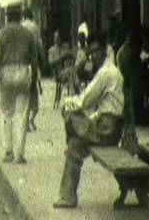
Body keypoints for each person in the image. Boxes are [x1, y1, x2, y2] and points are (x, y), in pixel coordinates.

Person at [53, 31, 125, 209]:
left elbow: (86, 100)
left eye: (96, 51)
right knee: (74, 146)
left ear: (104, 50)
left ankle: (68, 196)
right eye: (90, 52)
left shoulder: (106, 73)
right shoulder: (108, 70)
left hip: (107, 129)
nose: (93, 55)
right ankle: (68, 197)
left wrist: (68, 104)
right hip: (108, 126)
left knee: (69, 113)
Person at [0, 6, 38, 164]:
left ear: (7, 16)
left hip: (6, 73)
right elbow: (34, 59)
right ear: (19, 17)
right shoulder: (27, 34)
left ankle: (8, 152)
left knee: (5, 114)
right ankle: (20, 154)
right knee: (22, 114)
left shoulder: (2, 34)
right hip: (23, 71)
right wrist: (34, 80)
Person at [22, 8, 45, 132]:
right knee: (33, 93)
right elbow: (39, 45)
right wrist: (44, 60)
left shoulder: (20, 27)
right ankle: (30, 120)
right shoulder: (35, 27)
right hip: (33, 63)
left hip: (22, 64)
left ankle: (25, 123)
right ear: (31, 16)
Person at [49, 30, 74, 110]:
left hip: (68, 71)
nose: (57, 39)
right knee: (72, 74)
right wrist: (61, 57)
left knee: (71, 75)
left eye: (59, 37)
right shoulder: (51, 50)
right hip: (58, 73)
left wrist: (68, 54)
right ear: (54, 39)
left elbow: (72, 55)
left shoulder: (66, 46)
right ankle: (71, 100)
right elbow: (51, 63)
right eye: (56, 37)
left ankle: (71, 100)